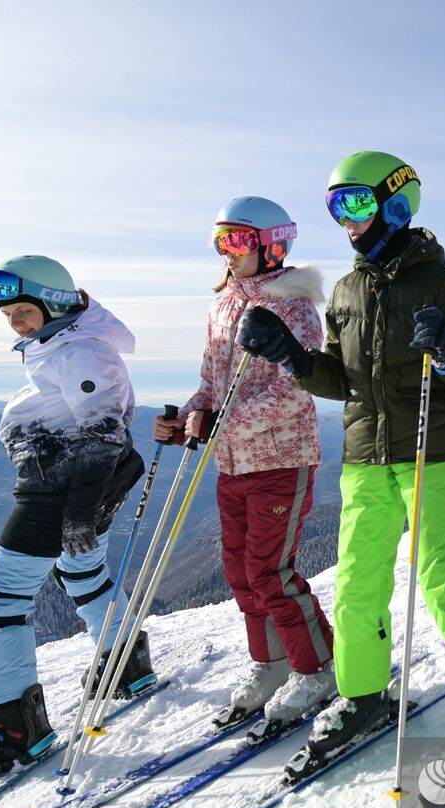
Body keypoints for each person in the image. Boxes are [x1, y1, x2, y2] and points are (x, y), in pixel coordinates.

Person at [233, 150, 445, 770]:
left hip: (429, 450)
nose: (344, 218)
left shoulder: (443, 282)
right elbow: (339, 377)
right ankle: (362, 695)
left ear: (396, 202)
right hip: (363, 457)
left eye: (354, 202)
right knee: (356, 585)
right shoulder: (347, 289)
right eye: (333, 206)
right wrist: (293, 358)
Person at [0, 256, 153, 773]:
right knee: (81, 570)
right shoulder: (62, 345)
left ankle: (14, 729)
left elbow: (102, 437)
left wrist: (78, 516)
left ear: (55, 303)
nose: (15, 322)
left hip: (59, 492)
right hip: (72, 486)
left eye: (23, 310)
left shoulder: (81, 354)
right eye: (8, 315)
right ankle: (126, 664)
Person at [153, 197, 335, 730]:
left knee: (269, 571)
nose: (225, 252)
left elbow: (292, 392)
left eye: (236, 241)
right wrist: (187, 416)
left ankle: (318, 667)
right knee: (239, 570)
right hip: (232, 462)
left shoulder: (294, 308)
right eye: (220, 241)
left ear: (271, 244)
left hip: (282, 458)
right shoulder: (222, 304)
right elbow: (213, 385)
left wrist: (218, 424)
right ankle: (272, 663)